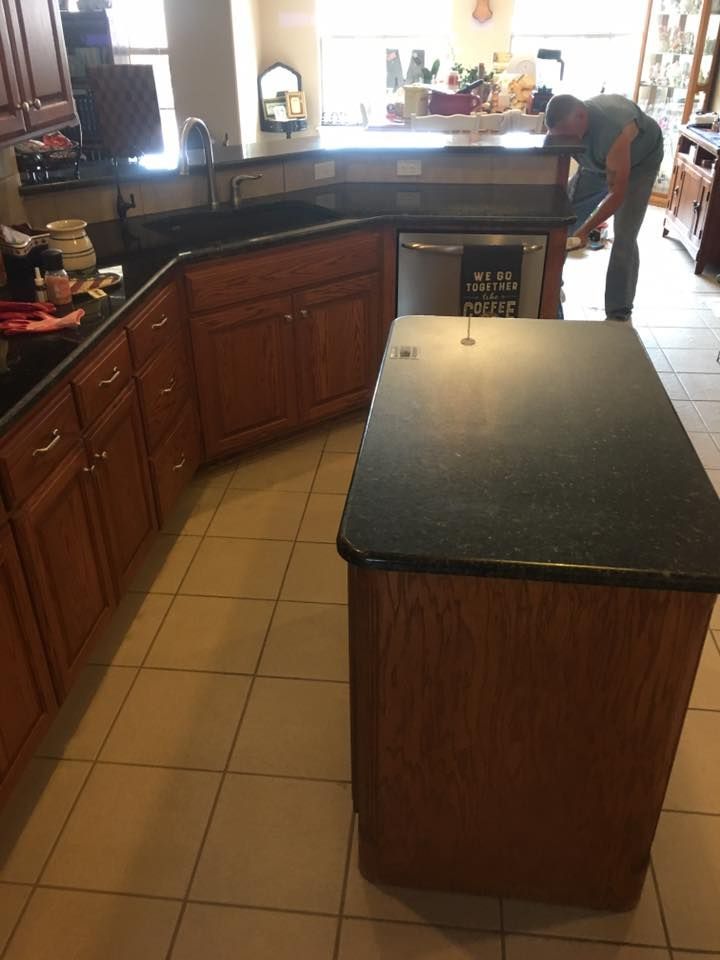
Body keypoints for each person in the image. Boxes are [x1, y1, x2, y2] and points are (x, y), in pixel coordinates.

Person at [545, 93, 664, 321]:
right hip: (596, 164)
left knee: (625, 235)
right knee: (561, 220)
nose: (566, 141)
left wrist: (584, 232)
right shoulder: (566, 125)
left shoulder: (615, 128)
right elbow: (550, 161)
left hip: (639, 164)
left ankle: (619, 311)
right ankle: (550, 285)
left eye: (568, 136)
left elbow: (616, 195)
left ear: (581, 116)